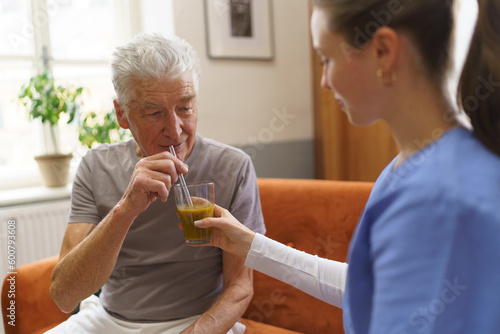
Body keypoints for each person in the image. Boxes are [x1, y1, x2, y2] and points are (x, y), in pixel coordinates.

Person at [193, 0, 500, 333]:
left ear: (383, 50)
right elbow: (367, 287)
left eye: (327, 58)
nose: (324, 80)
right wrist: (250, 245)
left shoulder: (436, 198)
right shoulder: (410, 168)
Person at [47, 33, 266, 334]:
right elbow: (64, 295)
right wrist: (125, 209)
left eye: (185, 108)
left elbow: (241, 286)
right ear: (122, 114)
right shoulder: (96, 166)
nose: (175, 131)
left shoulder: (232, 167)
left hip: (197, 322)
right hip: (108, 320)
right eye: (154, 113)